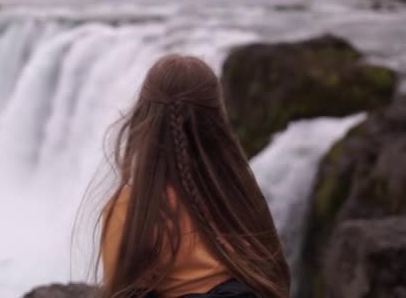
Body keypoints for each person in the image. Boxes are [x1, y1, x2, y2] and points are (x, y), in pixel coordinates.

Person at [99, 55, 290, 298]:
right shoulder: (241, 198)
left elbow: (120, 290)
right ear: (218, 121)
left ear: (144, 119)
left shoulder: (130, 209)